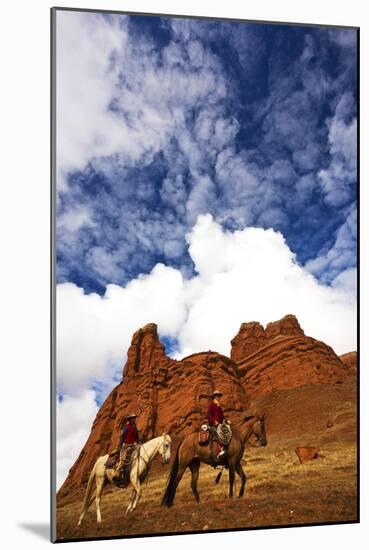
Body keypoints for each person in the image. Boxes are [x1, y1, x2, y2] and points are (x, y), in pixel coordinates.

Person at [113, 413, 141, 484]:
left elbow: (137, 437)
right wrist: (120, 446)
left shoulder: (135, 427)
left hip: (134, 445)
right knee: (123, 459)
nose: (134, 419)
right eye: (133, 418)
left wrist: (139, 440)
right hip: (126, 445)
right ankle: (116, 473)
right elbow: (122, 436)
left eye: (134, 418)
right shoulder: (127, 426)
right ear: (130, 419)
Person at [207, 390, 226, 459]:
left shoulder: (218, 404)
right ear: (214, 396)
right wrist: (214, 421)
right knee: (219, 433)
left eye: (219, 396)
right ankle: (219, 451)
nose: (218, 397)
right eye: (217, 396)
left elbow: (221, 415)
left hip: (220, 424)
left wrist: (225, 420)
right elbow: (208, 414)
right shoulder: (212, 404)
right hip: (214, 424)